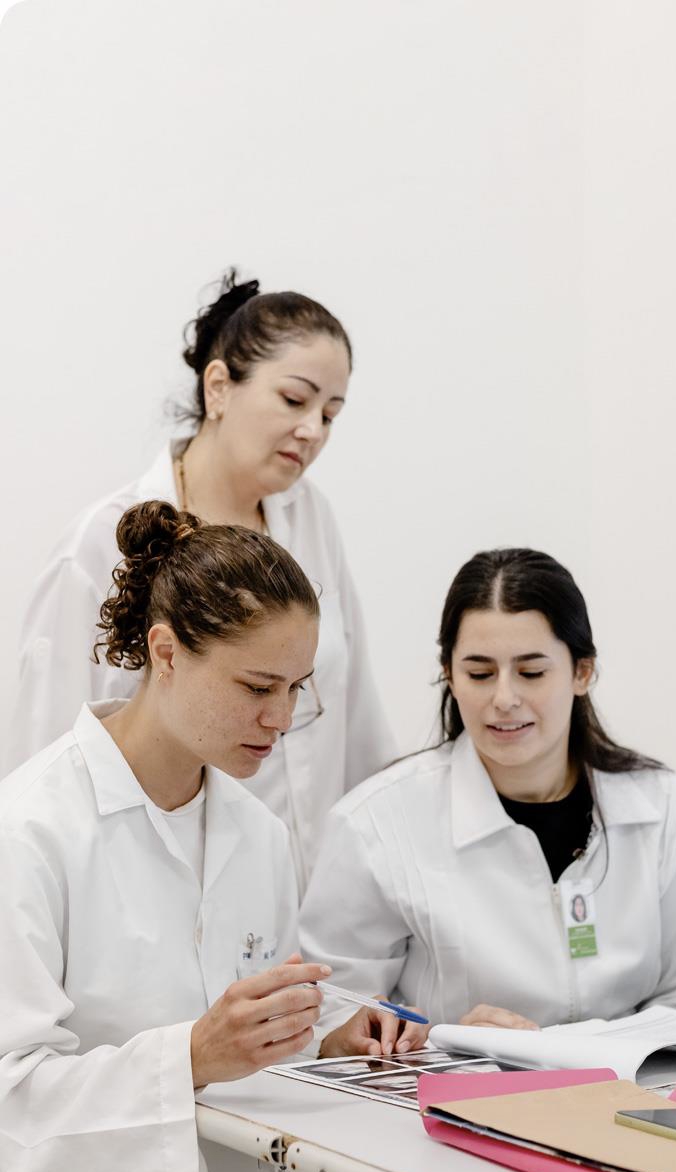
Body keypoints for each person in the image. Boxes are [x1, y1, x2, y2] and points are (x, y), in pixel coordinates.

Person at [0, 501, 406, 1172]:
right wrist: (191, 1056)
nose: (281, 719)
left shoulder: (259, 835)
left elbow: (251, 1042)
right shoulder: (31, 829)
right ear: (166, 653)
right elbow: (14, 1105)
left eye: (296, 689)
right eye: (257, 687)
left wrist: (327, 1035)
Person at [8, 271, 396, 891]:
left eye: (330, 414)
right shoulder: (98, 545)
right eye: (294, 400)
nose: (314, 430)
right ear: (218, 386)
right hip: (148, 895)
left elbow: (358, 725)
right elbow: (42, 767)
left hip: (306, 896)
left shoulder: (311, 519)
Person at [300, 548, 676, 1042]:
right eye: (480, 674)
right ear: (449, 675)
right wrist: (449, 1044)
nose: (504, 699)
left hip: (629, 1087)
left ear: (582, 672)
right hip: (453, 1089)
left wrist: (590, 1055)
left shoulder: (661, 805)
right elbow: (335, 1019)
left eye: (531, 673)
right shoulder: (374, 825)